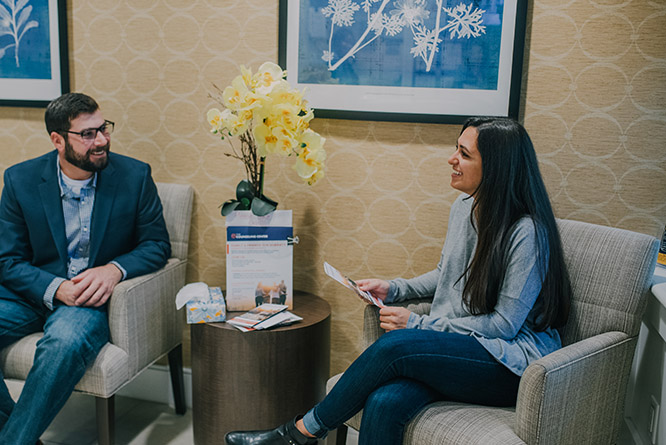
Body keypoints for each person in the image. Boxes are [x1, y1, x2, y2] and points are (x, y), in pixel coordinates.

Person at [224, 117, 572, 445]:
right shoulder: (464, 207)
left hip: (507, 364)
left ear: (497, 167)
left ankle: (297, 434)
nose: (451, 159)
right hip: (459, 349)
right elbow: (444, 275)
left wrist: (419, 324)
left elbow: (504, 325)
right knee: (384, 402)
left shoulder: (528, 232)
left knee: (396, 345)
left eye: (464, 154)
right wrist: (394, 288)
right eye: (456, 149)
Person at [0, 92, 171, 445]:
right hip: (24, 293)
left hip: (85, 301)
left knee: (64, 343)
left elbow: (157, 245)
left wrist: (113, 270)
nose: (101, 140)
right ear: (58, 140)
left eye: (103, 129)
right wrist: (56, 287)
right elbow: (7, 260)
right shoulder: (20, 180)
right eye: (87, 134)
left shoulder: (134, 176)